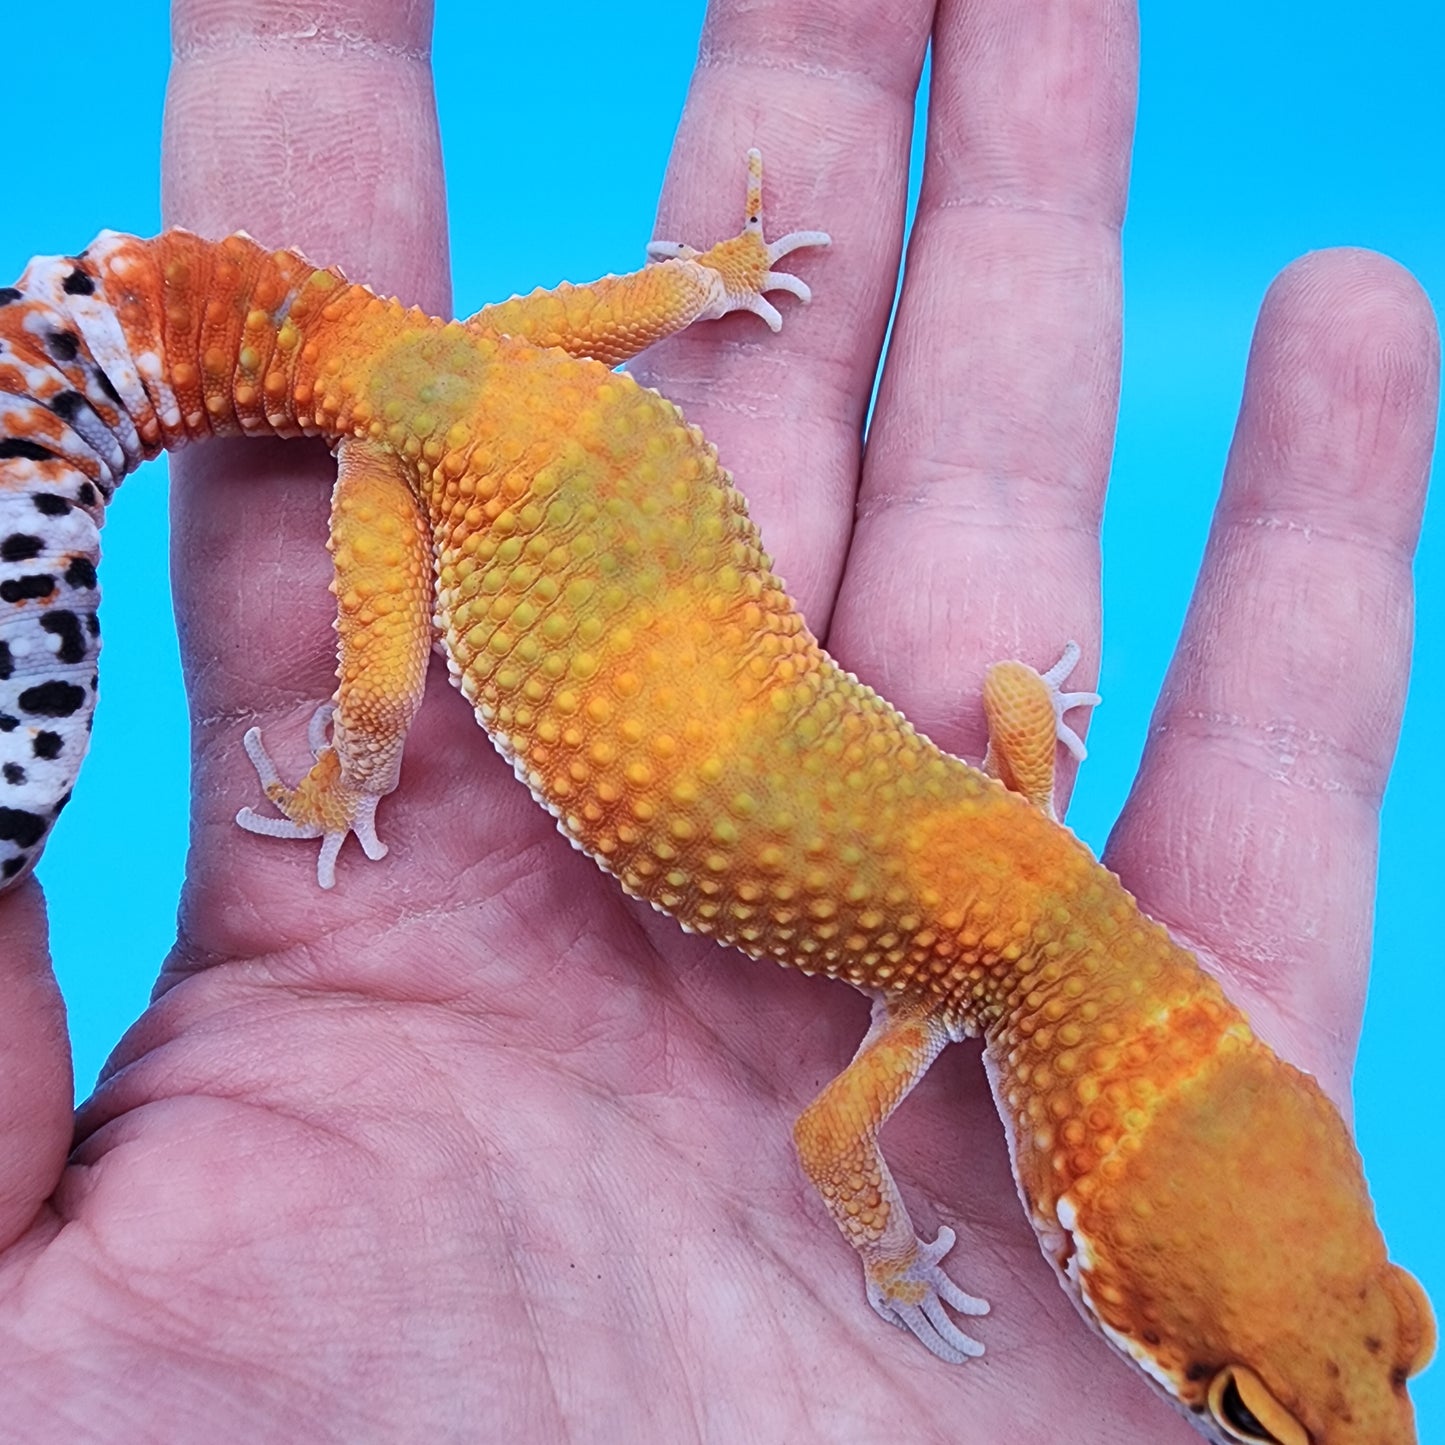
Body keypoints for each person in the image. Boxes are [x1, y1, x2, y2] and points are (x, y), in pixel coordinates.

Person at [0, 0, 1434, 1439]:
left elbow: (1012, 702)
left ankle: (700, 281)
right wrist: (884, 1250)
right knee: (378, 707)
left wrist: (710, 288)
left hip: (537, 387)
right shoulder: (961, 961)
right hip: (423, 448)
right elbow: (829, 1140)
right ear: (1067, 1213)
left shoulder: (1027, 838)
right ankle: (345, 777)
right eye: (1229, 1405)